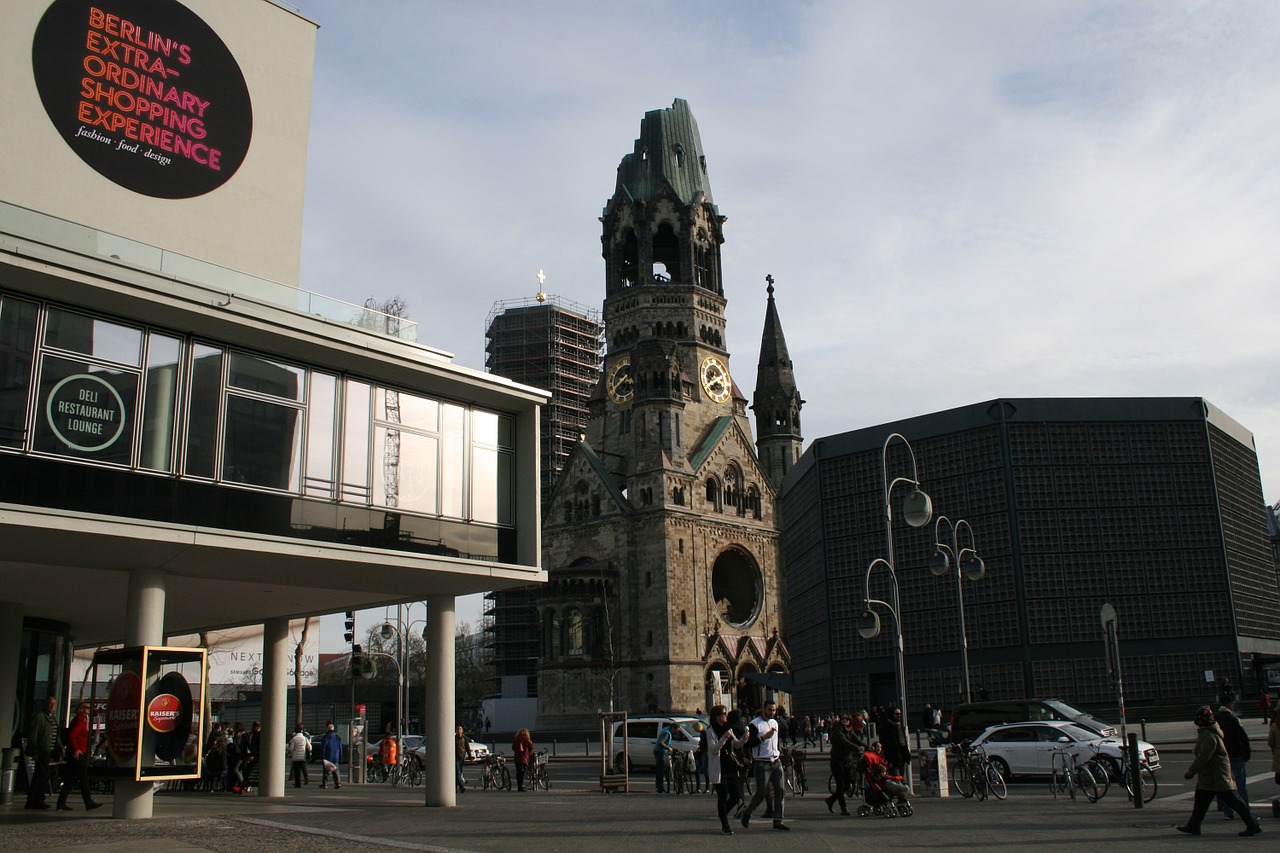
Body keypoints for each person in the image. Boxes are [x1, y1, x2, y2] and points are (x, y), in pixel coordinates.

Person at [1176, 706, 1261, 836]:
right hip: (1212, 776)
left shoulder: (1208, 735)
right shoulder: (1210, 732)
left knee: (1234, 802)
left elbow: (1204, 757)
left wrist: (1191, 771)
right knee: (1201, 802)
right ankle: (1193, 825)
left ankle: (1252, 824)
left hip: (1217, 775)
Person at [740, 700, 788, 831]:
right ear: (764, 709)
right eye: (769, 710)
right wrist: (763, 737)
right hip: (762, 763)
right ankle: (747, 813)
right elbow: (748, 744)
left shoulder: (774, 723)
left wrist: (779, 751)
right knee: (761, 792)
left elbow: (776, 740)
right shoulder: (754, 724)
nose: (772, 713)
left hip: (776, 760)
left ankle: (778, 820)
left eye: (774, 710)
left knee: (780, 790)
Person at [706, 705, 746, 834]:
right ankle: (725, 824)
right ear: (717, 716)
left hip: (730, 766)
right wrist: (723, 738)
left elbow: (736, 744)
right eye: (723, 713)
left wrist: (744, 739)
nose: (725, 716)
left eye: (726, 713)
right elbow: (713, 749)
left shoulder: (728, 728)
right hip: (719, 767)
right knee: (723, 796)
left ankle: (722, 813)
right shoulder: (711, 731)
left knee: (736, 796)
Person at [56, 700, 101, 811]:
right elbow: (72, 735)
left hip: (78, 751)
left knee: (70, 778)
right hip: (78, 753)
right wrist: (76, 749)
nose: (89, 710)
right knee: (83, 777)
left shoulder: (83, 720)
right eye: (87, 708)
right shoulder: (79, 720)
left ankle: (61, 803)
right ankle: (88, 802)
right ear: (81, 709)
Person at [1217, 695, 1251, 820]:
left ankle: (1228, 811)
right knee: (1240, 785)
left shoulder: (1215, 719)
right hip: (1236, 755)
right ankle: (1245, 811)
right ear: (1229, 705)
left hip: (1222, 756)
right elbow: (1243, 737)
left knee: (1227, 786)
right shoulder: (1233, 719)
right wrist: (1247, 752)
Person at [24, 695, 60, 810]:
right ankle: (38, 800)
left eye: (54, 704)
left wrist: (60, 747)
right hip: (42, 751)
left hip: (50, 751)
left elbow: (56, 735)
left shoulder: (53, 719)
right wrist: (34, 751)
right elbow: (33, 735)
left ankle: (32, 800)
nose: (52, 706)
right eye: (50, 704)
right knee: (42, 776)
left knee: (39, 776)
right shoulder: (40, 717)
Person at [825, 712, 858, 816]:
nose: (845, 720)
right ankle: (843, 808)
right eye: (843, 719)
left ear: (850, 720)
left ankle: (831, 800)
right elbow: (844, 742)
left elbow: (856, 740)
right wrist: (857, 748)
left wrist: (867, 747)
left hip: (846, 760)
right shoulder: (838, 730)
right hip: (837, 760)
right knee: (840, 785)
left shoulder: (849, 730)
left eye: (847, 719)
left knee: (847, 785)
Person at [881, 707, 910, 776]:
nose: (899, 716)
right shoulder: (886, 728)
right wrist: (889, 760)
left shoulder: (899, 726)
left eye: (900, 714)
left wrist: (907, 756)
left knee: (902, 778)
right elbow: (885, 745)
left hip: (901, 758)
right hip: (893, 760)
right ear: (892, 714)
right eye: (897, 714)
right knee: (896, 778)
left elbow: (903, 743)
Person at [653, 721, 675, 793]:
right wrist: (668, 748)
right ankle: (660, 788)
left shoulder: (666, 729)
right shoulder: (667, 733)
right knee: (661, 770)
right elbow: (661, 742)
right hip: (660, 752)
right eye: (676, 731)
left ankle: (658, 786)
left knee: (660, 769)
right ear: (673, 728)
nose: (675, 733)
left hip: (658, 751)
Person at [320, 723, 342, 789]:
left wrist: (322, 756)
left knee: (326, 770)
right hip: (336, 756)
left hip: (328, 755)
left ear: (328, 729)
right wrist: (340, 756)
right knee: (336, 770)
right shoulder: (338, 737)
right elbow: (340, 747)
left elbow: (323, 747)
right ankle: (338, 783)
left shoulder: (326, 736)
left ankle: (325, 783)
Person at [512, 727, 534, 791]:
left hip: (517, 757)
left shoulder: (516, 738)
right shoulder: (527, 738)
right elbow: (531, 747)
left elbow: (513, 747)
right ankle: (520, 787)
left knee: (518, 772)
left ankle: (519, 786)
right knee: (522, 772)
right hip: (524, 757)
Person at [692, 722, 709, 794]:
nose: (695, 730)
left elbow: (706, 743)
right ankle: (700, 788)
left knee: (705, 770)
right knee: (700, 770)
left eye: (695, 729)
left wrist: (701, 744)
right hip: (703, 752)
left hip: (705, 752)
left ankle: (705, 788)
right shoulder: (703, 733)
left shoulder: (704, 733)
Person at [455, 725, 471, 793]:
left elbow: (467, 747)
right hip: (455, 757)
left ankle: (455, 788)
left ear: (462, 731)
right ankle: (461, 787)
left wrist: (470, 757)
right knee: (458, 772)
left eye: (460, 729)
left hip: (462, 757)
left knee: (459, 773)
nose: (459, 731)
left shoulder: (464, 738)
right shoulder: (454, 738)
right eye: (458, 729)